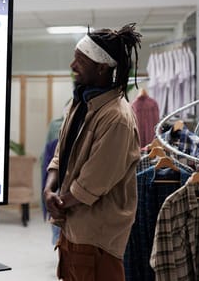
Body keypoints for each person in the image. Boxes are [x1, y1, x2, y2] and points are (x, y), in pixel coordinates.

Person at [43, 23, 142, 281]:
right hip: (72, 229)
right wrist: (49, 188)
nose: (73, 66)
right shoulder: (81, 103)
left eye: (80, 61)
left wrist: (58, 203)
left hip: (97, 239)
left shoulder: (117, 118)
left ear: (101, 68)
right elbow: (60, 154)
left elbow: (92, 183)